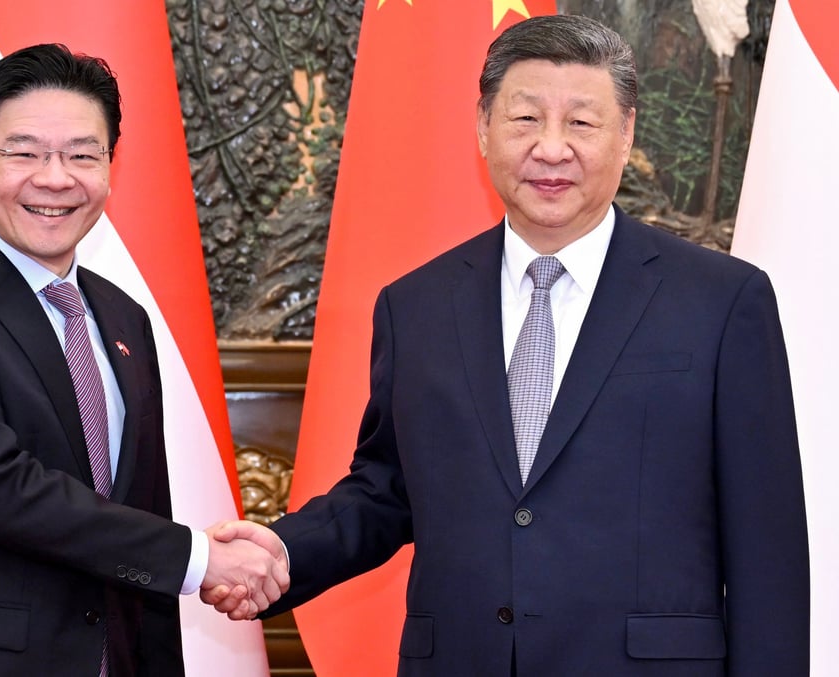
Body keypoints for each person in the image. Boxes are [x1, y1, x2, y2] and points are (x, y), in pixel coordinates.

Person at [208, 14, 810, 676]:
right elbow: (385, 491)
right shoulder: (417, 307)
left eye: (582, 122)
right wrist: (280, 552)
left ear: (628, 132)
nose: (552, 148)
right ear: (483, 128)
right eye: (525, 119)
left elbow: (767, 553)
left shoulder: (721, 302)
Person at [0, 43, 287, 677]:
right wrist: (198, 559)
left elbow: (141, 511)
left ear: (111, 167)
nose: (55, 178)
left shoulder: (122, 319)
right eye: (24, 152)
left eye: (83, 155)